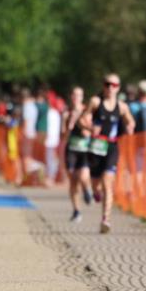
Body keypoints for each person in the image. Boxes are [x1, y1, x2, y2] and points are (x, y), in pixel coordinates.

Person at [86, 73, 135, 233]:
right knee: (95, 184)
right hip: (95, 146)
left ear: (118, 88)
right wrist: (89, 127)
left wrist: (130, 127)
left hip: (112, 147)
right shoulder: (95, 102)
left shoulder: (121, 106)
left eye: (114, 85)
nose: (110, 88)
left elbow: (130, 121)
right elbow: (83, 118)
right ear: (103, 85)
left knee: (108, 182)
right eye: (107, 84)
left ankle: (105, 219)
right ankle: (95, 191)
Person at [62, 86, 94, 222]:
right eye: (74, 95)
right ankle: (76, 211)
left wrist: (83, 125)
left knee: (83, 176)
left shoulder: (87, 112)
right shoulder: (66, 113)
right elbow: (63, 136)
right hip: (71, 150)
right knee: (73, 181)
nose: (76, 98)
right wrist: (70, 125)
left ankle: (87, 189)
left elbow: (90, 132)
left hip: (84, 149)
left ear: (82, 97)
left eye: (79, 95)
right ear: (71, 97)